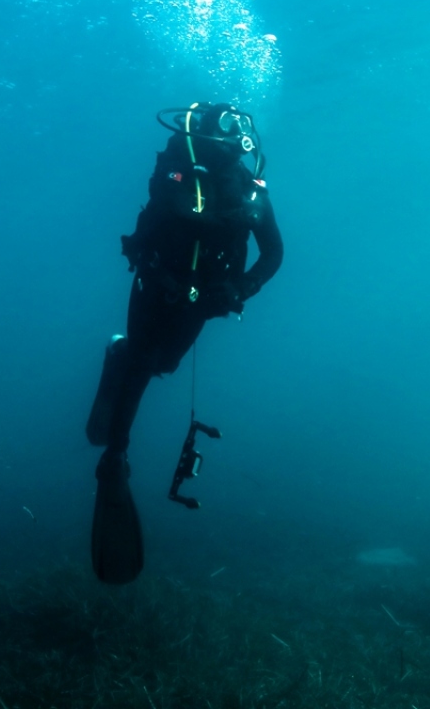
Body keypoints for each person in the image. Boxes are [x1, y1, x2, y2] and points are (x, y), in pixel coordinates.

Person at [85, 102, 284, 584]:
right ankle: (115, 458)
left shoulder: (249, 187)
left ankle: (120, 356)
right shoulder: (176, 174)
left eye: (240, 134)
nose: (238, 141)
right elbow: (162, 221)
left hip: (202, 302)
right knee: (143, 359)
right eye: (230, 132)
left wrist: (240, 288)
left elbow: (274, 253)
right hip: (156, 290)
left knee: (163, 364)